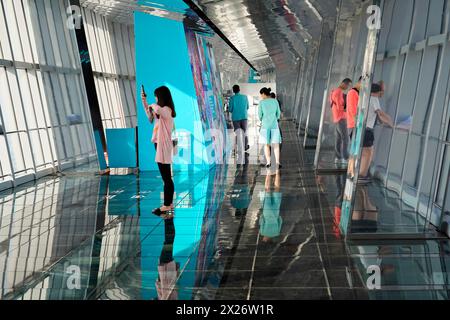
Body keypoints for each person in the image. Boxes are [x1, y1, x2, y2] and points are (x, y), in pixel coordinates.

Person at [141, 86, 176, 215]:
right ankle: (169, 203)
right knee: (165, 176)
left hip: (163, 145)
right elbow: (150, 117)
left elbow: (157, 109)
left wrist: (152, 104)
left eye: (156, 96)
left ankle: (167, 205)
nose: (155, 98)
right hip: (158, 144)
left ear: (161, 97)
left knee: (166, 177)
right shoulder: (160, 111)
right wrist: (145, 102)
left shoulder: (167, 110)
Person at [358, 83, 393, 183]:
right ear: (376, 92)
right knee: (368, 153)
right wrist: (390, 122)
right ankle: (362, 175)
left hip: (360, 128)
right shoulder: (374, 99)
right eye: (380, 92)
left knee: (364, 152)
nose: (381, 94)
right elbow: (380, 114)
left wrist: (382, 121)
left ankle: (359, 173)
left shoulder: (365, 98)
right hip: (367, 130)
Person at [258, 87, 282, 169]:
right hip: (274, 125)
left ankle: (268, 162)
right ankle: (277, 162)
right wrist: (275, 119)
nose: (261, 96)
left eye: (261, 95)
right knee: (276, 145)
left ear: (264, 94)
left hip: (265, 126)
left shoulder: (261, 103)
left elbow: (260, 115)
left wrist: (263, 119)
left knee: (266, 145)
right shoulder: (275, 101)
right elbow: (278, 113)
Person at [331, 78, 352, 164]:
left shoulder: (333, 91)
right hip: (341, 118)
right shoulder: (339, 92)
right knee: (346, 139)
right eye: (348, 85)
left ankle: (338, 157)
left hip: (336, 118)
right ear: (344, 84)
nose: (348, 87)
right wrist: (348, 107)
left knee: (339, 138)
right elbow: (340, 107)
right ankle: (345, 158)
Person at [229, 85, 250, 158]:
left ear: (233, 90)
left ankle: (239, 147)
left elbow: (230, 109)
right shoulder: (245, 97)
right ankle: (245, 146)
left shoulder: (232, 98)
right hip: (244, 117)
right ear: (239, 89)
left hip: (235, 118)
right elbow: (247, 107)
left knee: (238, 133)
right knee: (244, 132)